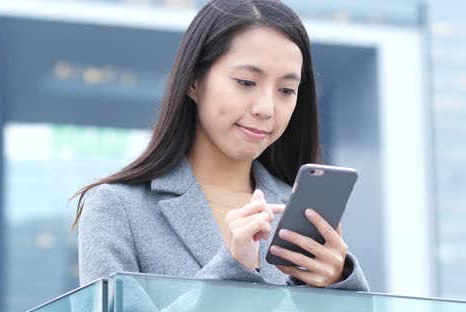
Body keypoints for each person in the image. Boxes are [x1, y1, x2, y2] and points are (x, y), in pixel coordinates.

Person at [73, 0, 369, 292]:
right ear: (193, 82)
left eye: (286, 90)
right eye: (245, 82)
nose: (266, 108)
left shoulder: (299, 212)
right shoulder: (117, 208)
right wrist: (231, 270)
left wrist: (338, 285)